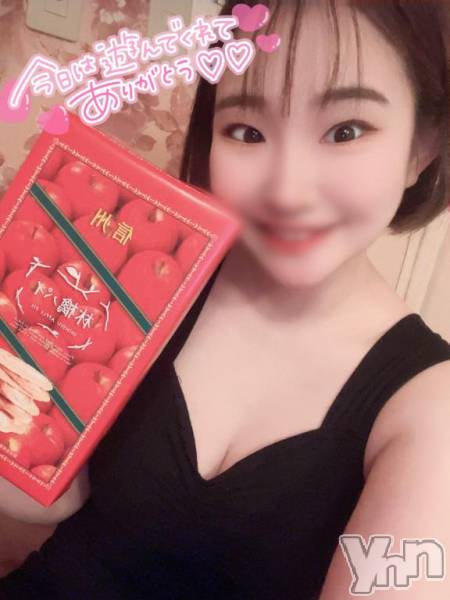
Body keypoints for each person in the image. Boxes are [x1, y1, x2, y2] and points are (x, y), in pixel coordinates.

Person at [1, 0, 450, 598]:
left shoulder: (430, 409)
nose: (287, 191)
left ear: (422, 146)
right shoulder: (156, 272)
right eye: (247, 131)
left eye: (346, 130)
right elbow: (54, 498)